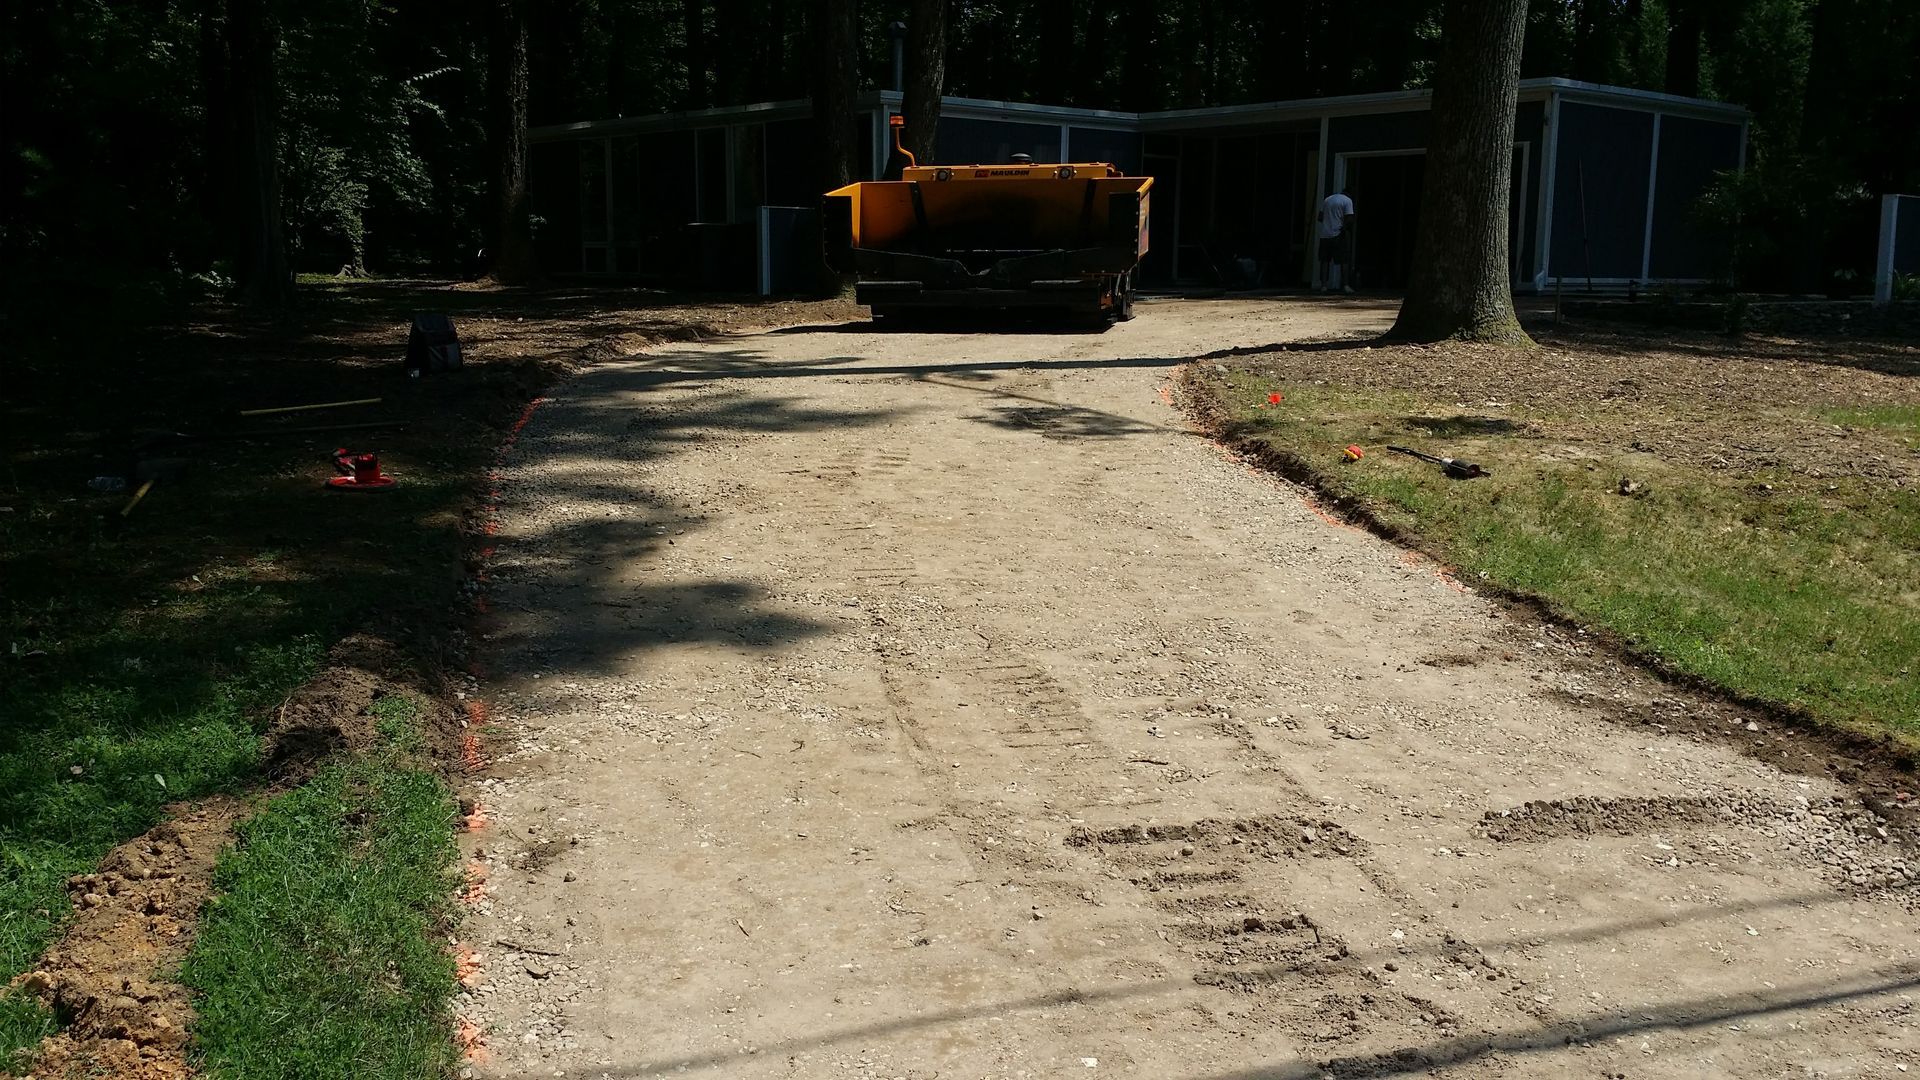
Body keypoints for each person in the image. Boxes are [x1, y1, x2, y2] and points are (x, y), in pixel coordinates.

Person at [1317, 187, 1356, 293]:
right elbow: (1349, 218)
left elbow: (1320, 217)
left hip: (1325, 234)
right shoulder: (1348, 201)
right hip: (1338, 233)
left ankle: (1323, 285)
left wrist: (1328, 222)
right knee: (1344, 260)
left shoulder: (1327, 199)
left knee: (1324, 260)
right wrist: (1344, 228)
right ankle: (1346, 285)